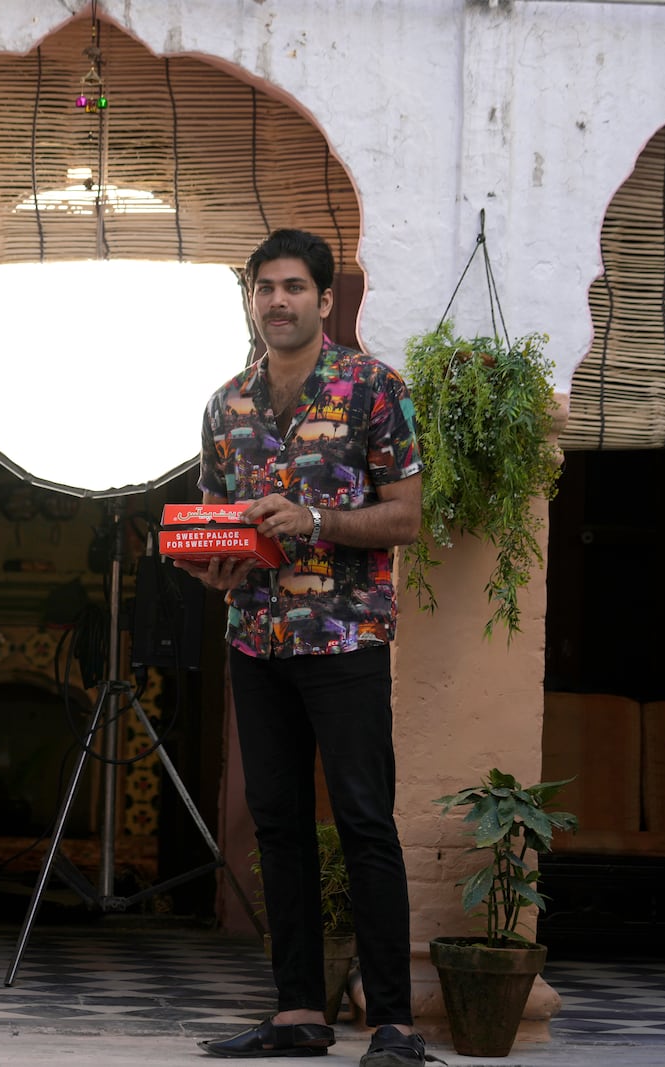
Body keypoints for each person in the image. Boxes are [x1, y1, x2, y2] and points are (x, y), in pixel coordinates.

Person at [178, 230, 430, 1065]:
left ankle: (392, 1021)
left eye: (294, 287)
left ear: (326, 301)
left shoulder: (372, 389)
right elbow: (217, 521)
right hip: (255, 640)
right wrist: (212, 565)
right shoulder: (226, 404)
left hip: (346, 637)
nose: (277, 301)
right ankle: (297, 1013)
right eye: (264, 288)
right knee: (276, 826)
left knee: (364, 821)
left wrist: (314, 520)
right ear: (250, 299)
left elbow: (407, 516)